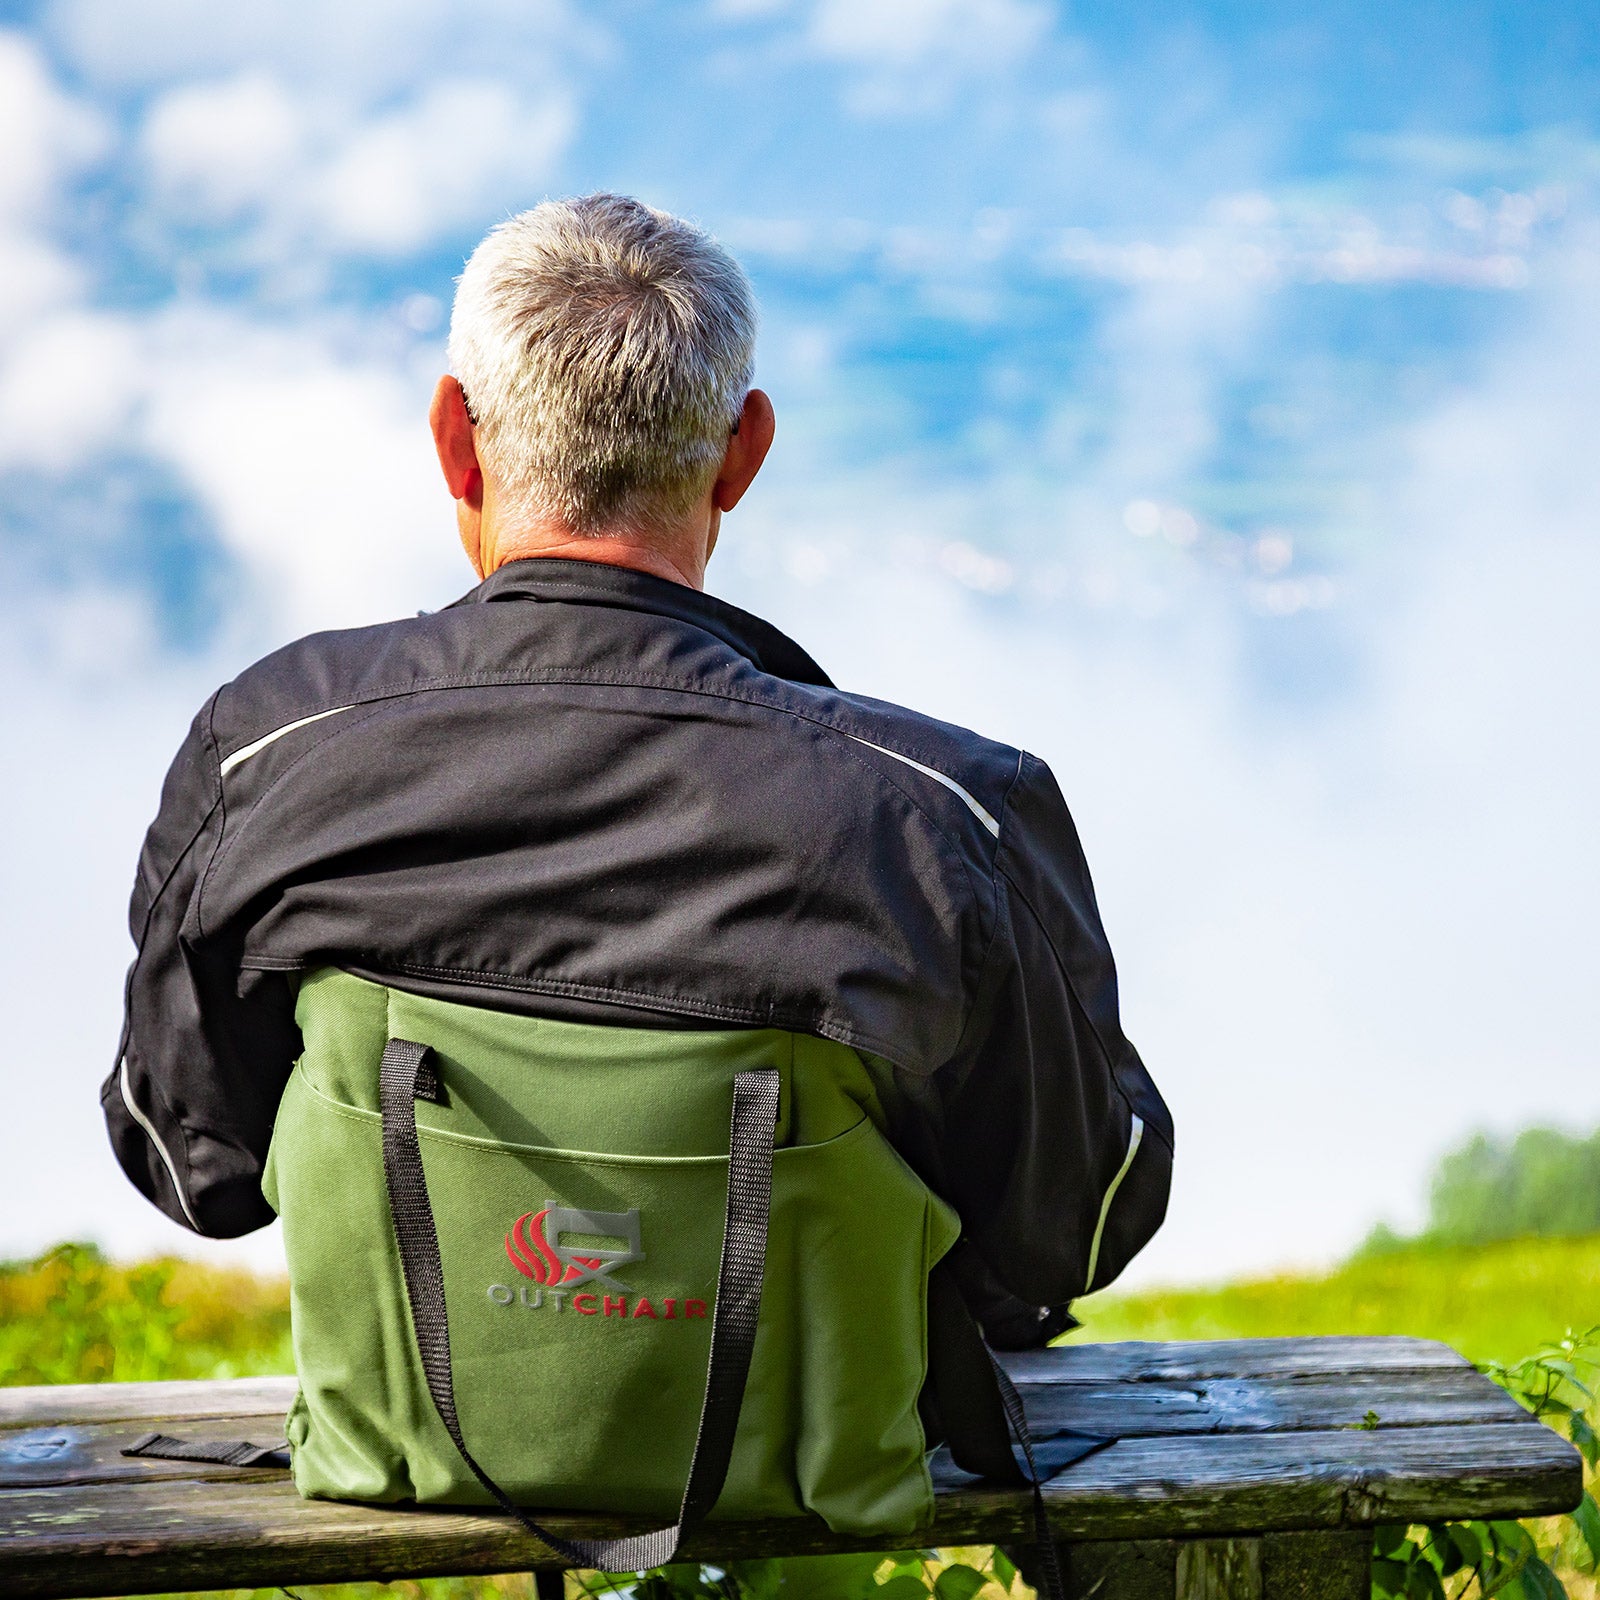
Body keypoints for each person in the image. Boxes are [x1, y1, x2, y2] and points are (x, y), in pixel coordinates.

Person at [105, 193, 1172, 1353]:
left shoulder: (265, 751)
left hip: (401, 1453)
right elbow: (1085, 1220)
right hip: (816, 1465)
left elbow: (188, 1164)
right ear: (743, 452)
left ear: (454, 439)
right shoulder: (943, 812)